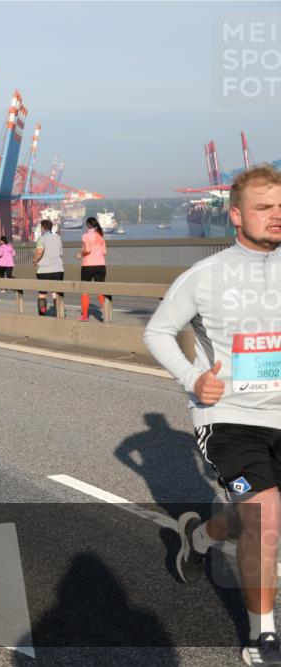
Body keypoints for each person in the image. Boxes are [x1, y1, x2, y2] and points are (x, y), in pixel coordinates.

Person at [143, 164, 281, 666]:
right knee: (265, 514)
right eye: (264, 207)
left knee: (251, 515)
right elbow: (157, 331)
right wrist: (192, 379)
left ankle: (198, 537)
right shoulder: (205, 276)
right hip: (228, 419)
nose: (276, 215)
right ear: (236, 214)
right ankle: (261, 635)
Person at [77, 217, 107, 322]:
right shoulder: (101, 236)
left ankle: (84, 315)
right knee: (100, 290)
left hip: (88, 265)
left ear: (87, 225)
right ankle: (106, 311)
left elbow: (88, 250)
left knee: (85, 291)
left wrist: (80, 254)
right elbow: (104, 253)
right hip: (101, 265)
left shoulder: (85, 236)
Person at [32, 219, 64, 316]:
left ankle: (42, 313)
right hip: (58, 269)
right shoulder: (57, 238)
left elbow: (39, 252)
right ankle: (59, 312)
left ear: (43, 228)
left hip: (44, 270)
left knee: (42, 293)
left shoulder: (41, 239)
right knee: (55, 292)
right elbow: (61, 253)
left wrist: (34, 260)